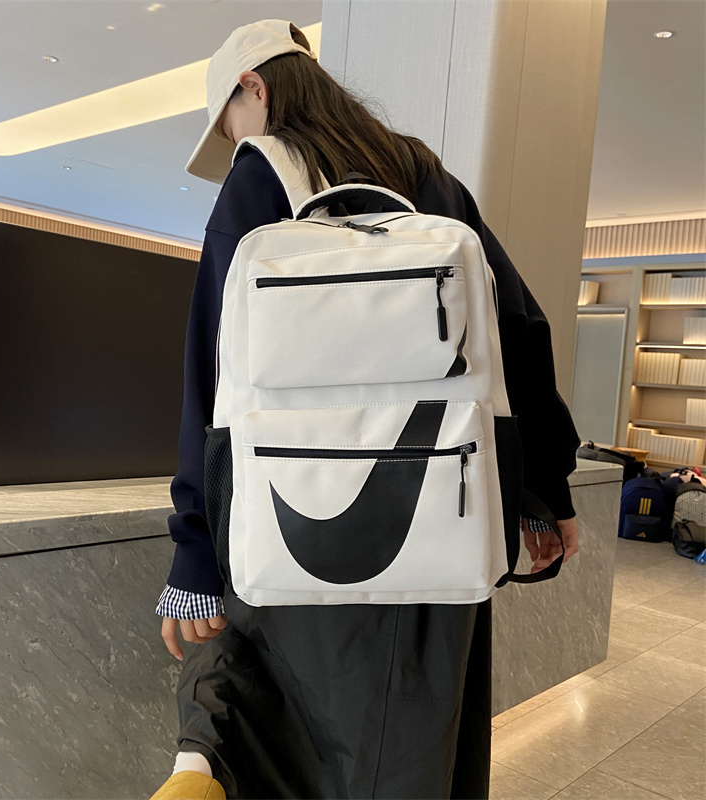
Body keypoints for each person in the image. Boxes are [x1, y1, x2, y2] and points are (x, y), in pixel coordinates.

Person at [150, 18, 581, 800]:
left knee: (296, 757)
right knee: (422, 755)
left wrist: (195, 553)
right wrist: (543, 490)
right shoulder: (428, 178)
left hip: (299, 528)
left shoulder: (259, 178)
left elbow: (210, 379)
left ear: (255, 87)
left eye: (229, 122)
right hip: (441, 526)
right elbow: (518, 328)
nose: (235, 139)